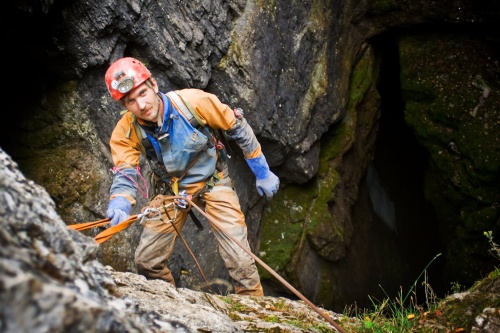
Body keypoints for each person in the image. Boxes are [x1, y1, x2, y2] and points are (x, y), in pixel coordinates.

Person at [103, 57, 280, 296]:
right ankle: (170, 303)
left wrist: (262, 172)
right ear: (125, 105)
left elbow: (236, 127)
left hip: (213, 182)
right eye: (131, 101)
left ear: (154, 85)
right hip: (172, 192)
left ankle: (255, 310)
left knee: (240, 258)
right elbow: (126, 170)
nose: (141, 105)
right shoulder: (126, 130)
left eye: (143, 93)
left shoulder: (192, 102)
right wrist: (120, 200)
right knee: (147, 261)